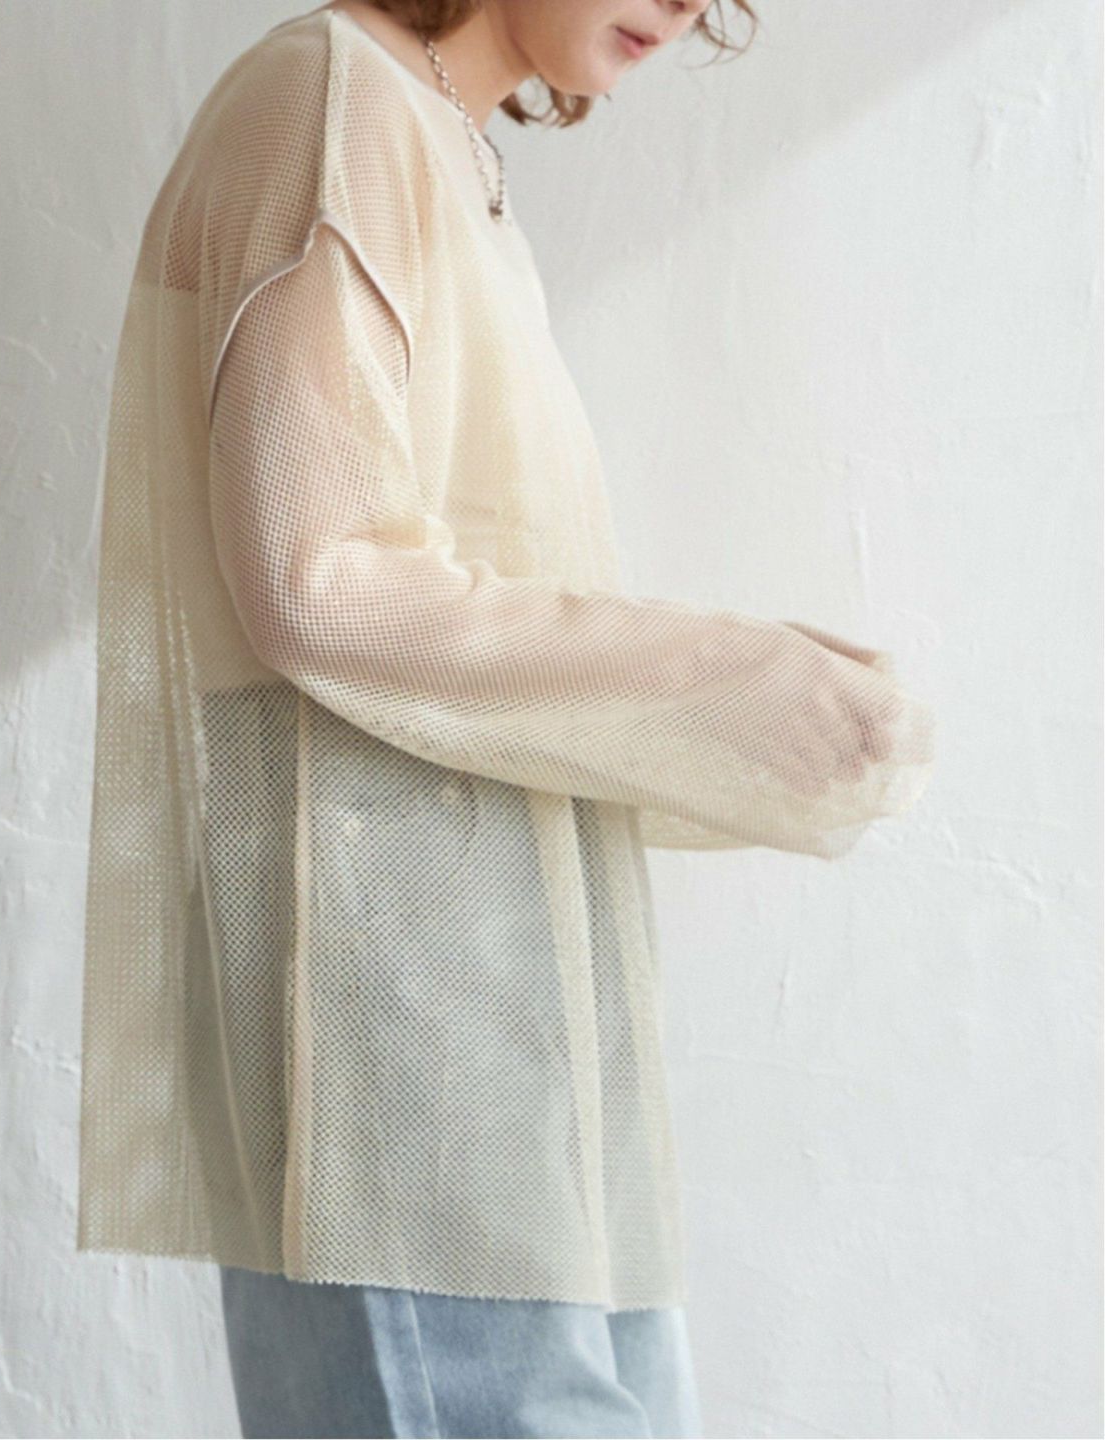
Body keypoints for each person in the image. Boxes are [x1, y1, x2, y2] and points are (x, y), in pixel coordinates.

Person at [76, 1, 935, 1435]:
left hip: (480, 965)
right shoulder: (331, 103)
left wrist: (754, 701)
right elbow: (318, 585)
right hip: (384, 969)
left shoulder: (428, 130)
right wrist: (729, 680)